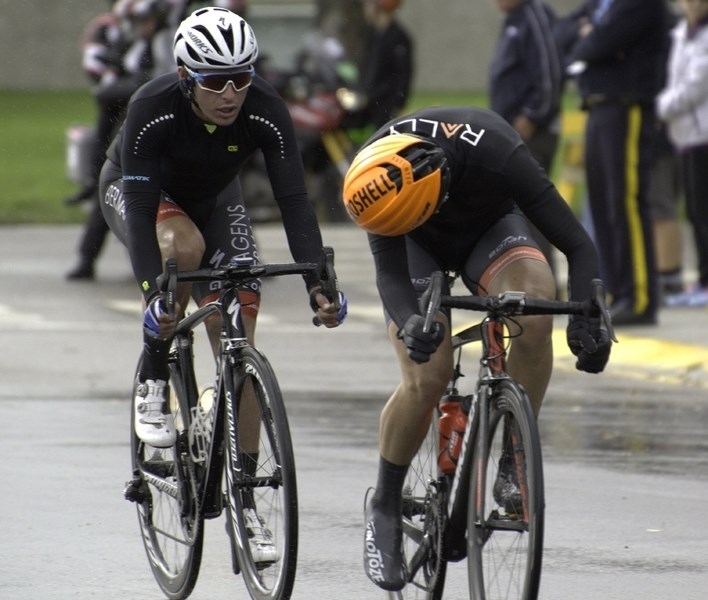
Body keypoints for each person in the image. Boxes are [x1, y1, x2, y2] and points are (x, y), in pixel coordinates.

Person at [98, 6, 347, 561]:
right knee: (179, 248)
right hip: (138, 195)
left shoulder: (264, 108)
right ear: (187, 77)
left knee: (242, 326)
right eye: (216, 81)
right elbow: (141, 216)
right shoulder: (152, 108)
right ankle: (157, 375)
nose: (231, 92)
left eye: (243, 76)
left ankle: (248, 504)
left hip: (215, 201)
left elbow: (294, 202)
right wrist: (151, 297)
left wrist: (317, 281)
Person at [341, 107, 612, 591]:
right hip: (414, 246)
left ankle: (513, 456)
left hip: (489, 229)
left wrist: (590, 315)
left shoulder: (498, 153)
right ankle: (384, 502)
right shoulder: (374, 174)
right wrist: (410, 326)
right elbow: (390, 276)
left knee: (532, 310)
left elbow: (577, 244)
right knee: (427, 373)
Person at [558, 0, 672, 325]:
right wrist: (584, 37)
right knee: (604, 205)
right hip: (597, 107)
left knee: (625, 204)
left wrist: (588, 38)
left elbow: (601, 42)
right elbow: (562, 32)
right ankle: (617, 291)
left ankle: (639, 299)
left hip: (627, 105)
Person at [67, 0, 176, 280]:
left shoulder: (169, 43)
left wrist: (123, 82)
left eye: (147, 20)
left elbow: (158, 83)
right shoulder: (134, 45)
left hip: (166, 137)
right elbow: (110, 87)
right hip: (134, 136)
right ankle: (87, 259)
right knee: (112, 196)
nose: (142, 27)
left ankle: (240, 256)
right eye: (139, 21)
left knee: (201, 198)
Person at [488, 0, 564, 284]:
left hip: (531, 132)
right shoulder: (513, 19)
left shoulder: (533, 15)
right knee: (515, 208)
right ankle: (526, 278)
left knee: (532, 209)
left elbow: (549, 69)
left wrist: (533, 114)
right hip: (511, 132)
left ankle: (542, 283)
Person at [657, 0, 708, 306]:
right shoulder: (681, 33)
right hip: (686, 135)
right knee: (695, 210)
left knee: (704, 211)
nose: (693, 5)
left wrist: (662, 107)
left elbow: (695, 84)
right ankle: (702, 279)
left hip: (703, 134)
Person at [350, 0, 414, 130]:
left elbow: (401, 77)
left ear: (378, 7)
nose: (365, 8)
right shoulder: (373, 36)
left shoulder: (398, 38)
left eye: (368, 4)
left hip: (385, 108)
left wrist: (397, 106)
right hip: (371, 106)